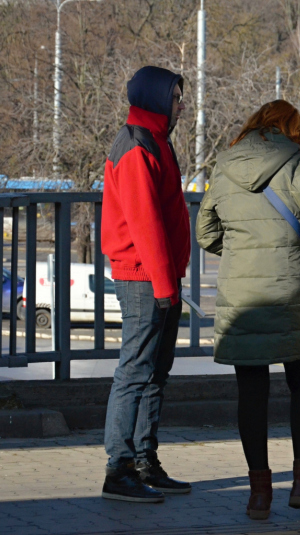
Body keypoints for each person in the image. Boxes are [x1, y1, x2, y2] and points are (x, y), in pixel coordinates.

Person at [196, 100, 300, 519]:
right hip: (289, 288)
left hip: (243, 294)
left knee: (252, 392)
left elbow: (205, 230)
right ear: (291, 129)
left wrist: (241, 250)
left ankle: (259, 494)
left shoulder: (224, 165)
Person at [101, 66, 191, 503]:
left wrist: (171, 277)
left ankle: (144, 461)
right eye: (176, 97)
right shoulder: (136, 146)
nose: (181, 106)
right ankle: (118, 469)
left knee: (155, 372)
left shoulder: (156, 140)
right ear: (156, 98)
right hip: (144, 278)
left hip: (159, 275)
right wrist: (162, 286)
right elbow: (146, 224)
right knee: (135, 372)